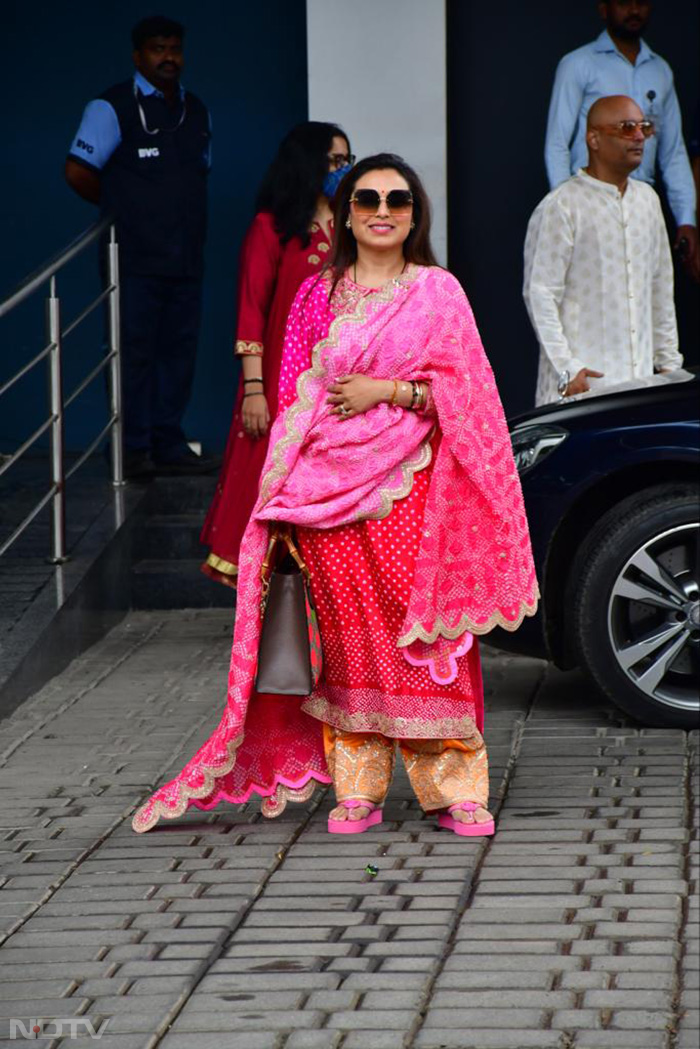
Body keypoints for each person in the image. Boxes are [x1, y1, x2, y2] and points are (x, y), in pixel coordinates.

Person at [132, 154, 538, 837]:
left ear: (416, 215)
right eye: (368, 198)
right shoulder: (319, 294)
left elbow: (472, 396)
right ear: (346, 213)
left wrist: (391, 392)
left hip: (410, 487)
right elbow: (296, 394)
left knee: (427, 635)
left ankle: (454, 789)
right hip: (326, 493)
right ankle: (359, 789)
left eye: (398, 200)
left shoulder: (438, 292)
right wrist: (281, 492)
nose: (383, 210)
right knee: (349, 642)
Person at [200, 122, 353, 588]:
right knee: (269, 481)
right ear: (306, 163)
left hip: (339, 384)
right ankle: (269, 600)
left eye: (348, 160)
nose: (343, 170)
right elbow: (252, 311)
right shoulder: (273, 228)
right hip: (279, 385)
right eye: (333, 161)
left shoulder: (353, 225)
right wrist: (254, 390)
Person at [65, 15, 218, 479]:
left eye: (174, 48)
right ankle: (132, 450)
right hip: (132, 258)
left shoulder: (196, 110)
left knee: (179, 351)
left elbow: (199, 173)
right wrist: (123, 207)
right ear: (138, 56)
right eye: (157, 49)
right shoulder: (110, 107)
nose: (168, 57)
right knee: (134, 352)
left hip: (186, 256)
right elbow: (78, 172)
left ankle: (168, 442)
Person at [525, 95, 682, 405]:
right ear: (593, 138)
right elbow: (540, 294)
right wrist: (566, 368)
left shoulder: (647, 200)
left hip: (642, 388)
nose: (639, 136)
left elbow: (660, 287)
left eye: (644, 127)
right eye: (626, 127)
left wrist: (669, 367)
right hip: (581, 390)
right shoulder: (562, 205)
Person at [544, 0, 698, 283]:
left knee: (640, 294)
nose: (634, 9)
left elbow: (673, 152)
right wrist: (566, 208)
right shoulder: (579, 63)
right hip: (591, 201)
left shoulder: (660, 70)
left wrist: (686, 217)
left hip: (642, 205)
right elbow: (557, 143)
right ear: (604, 8)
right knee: (591, 292)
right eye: (625, 2)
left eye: (641, 2)